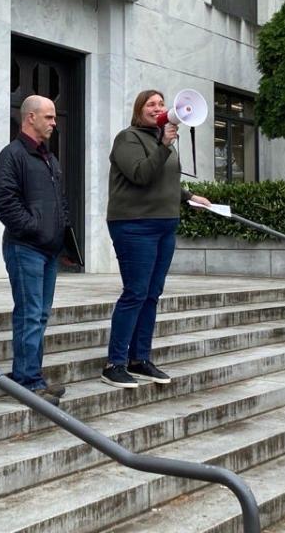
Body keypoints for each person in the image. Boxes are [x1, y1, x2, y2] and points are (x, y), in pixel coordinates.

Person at [101, 89, 211, 388]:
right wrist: (163, 145)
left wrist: (189, 196)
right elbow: (140, 174)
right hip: (134, 225)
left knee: (152, 294)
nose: (158, 108)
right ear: (139, 110)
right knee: (135, 292)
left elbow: (165, 181)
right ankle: (115, 363)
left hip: (164, 226)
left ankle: (140, 358)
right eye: (151, 104)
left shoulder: (164, 140)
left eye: (161, 103)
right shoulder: (128, 138)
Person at [0, 95, 69, 406]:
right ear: (30, 118)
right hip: (25, 248)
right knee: (30, 314)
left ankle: (30, 373)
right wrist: (36, 229)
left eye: (54, 117)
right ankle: (28, 381)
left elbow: (59, 203)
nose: (54, 122)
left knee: (40, 314)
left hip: (48, 250)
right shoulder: (12, 155)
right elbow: (4, 204)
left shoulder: (50, 159)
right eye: (48, 117)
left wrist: (62, 234)